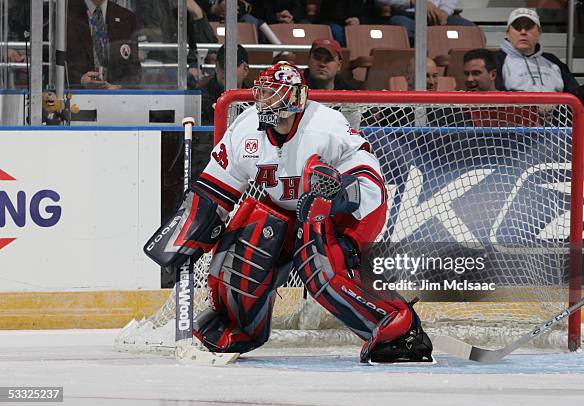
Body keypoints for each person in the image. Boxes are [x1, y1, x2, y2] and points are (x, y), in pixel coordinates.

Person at [144, 61, 433, 364]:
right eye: (263, 94)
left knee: (319, 262)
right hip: (289, 211)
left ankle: (399, 331)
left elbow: (369, 186)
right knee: (241, 250)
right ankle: (240, 327)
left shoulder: (327, 126)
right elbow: (214, 190)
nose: (265, 102)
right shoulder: (245, 128)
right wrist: (189, 232)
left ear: (296, 98)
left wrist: (340, 215)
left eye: (275, 95)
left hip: (343, 215)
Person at [496, 8, 578, 94]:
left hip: (557, 107)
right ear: (507, 33)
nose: (523, 32)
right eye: (517, 28)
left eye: (528, 27)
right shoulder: (497, 61)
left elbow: (575, 92)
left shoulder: (553, 61)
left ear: (539, 32)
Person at [66, 0, 142, 89]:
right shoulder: (64, 14)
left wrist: (119, 87)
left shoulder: (126, 17)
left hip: (116, 98)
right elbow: (50, 65)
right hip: (75, 96)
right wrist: (80, 80)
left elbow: (134, 70)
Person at [198, 44, 251, 125]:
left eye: (233, 66)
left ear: (245, 70)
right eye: (223, 66)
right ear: (216, 67)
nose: (226, 71)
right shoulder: (201, 97)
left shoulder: (255, 97)